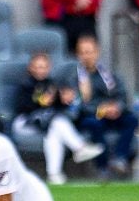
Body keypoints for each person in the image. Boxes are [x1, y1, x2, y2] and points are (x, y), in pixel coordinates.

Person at [12, 52, 104, 184]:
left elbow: (57, 108)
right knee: (56, 122)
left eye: (43, 67)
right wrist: (40, 102)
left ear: (49, 68)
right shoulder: (25, 85)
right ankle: (79, 147)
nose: (40, 70)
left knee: (54, 132)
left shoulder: (52, 84)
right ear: (31, 68)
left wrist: (64, 100)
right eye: (37, 67)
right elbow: (21, 107)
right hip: (25, 123)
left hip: (47, 123)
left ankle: (54, 174)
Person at [68, 33, 139, 179]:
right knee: (93, 124)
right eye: (82, 52)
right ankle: (103, 167)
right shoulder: (74, 77)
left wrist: (116, 107)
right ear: (78, 55)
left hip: (113, 114)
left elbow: (122, 95)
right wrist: (99, 109)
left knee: (132, 119)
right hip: (91, 116)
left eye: (89, 52)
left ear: (97, 52)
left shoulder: (109, 74)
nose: (86, 56)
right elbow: (76, 106)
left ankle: (120, 158)